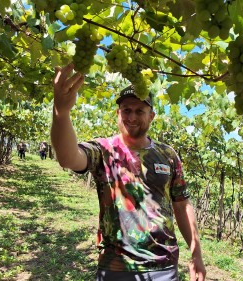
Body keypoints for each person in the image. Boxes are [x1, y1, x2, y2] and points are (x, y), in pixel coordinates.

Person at [50, 63, 206, 281]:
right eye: (126, 110)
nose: (131, 117)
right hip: (116, 266)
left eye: (139, 111)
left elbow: (182, 204)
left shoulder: (168, 155)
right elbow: (68, 158)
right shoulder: (103, 150)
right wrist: (62, 111)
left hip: (164, 266)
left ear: (151, 116)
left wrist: (196, 253)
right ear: (118, 113)